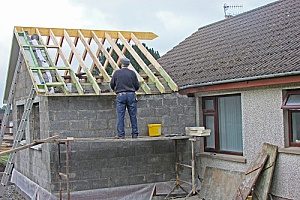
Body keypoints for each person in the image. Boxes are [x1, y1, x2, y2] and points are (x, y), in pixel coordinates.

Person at [110, 57, 140, 139]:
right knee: (133, 115)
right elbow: (137, 86)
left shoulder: (116, 73)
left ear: (121, 64)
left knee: (120, 116)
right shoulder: (132, 73)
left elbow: (112, 84)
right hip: (131, 95)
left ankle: (121, 135)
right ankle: (135, 134)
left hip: (121, 95)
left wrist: (116, 89)